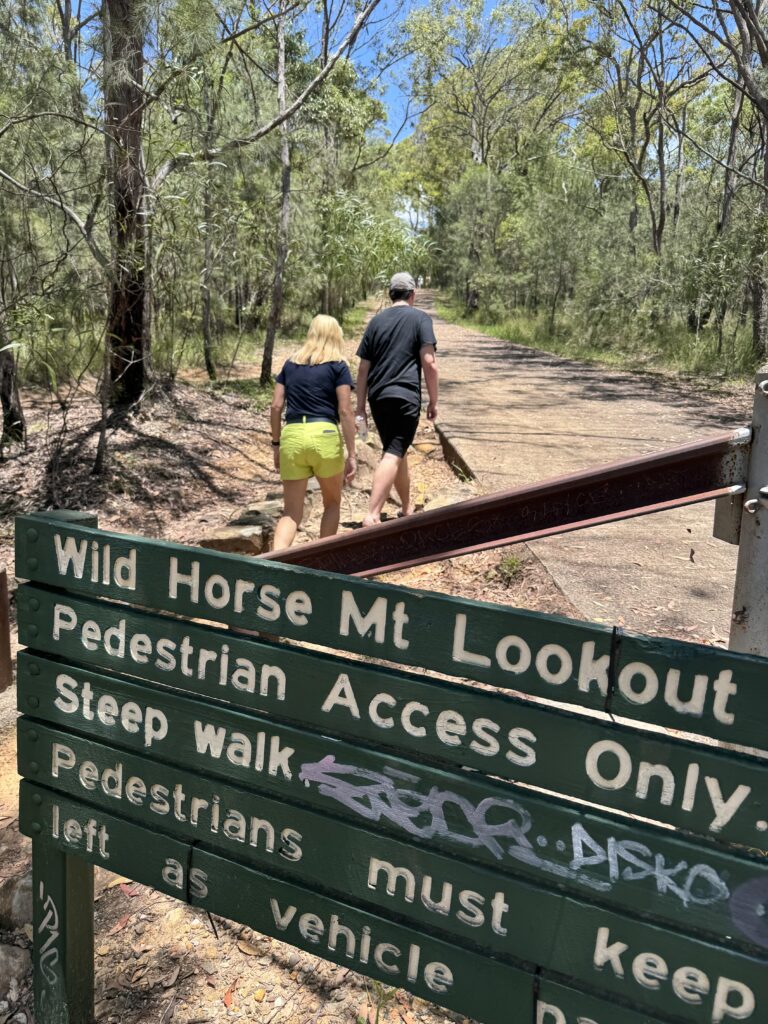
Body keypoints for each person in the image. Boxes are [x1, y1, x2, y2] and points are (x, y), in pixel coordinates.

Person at [355, 272, 438, 527]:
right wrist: (433, 402)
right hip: (405, 397)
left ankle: (405, 508)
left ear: (391, 294)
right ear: (412, 295)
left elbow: (362, 369)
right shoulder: (420, 319)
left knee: (395, 449)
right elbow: (429, 363)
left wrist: (360, 407)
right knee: (393, 453)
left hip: (378, 398)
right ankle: (372, 513)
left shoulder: (375, 322)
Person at [270, 315, 356, 549]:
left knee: (291, 512)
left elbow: (277, 406)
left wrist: (276, 445)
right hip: (325, 436)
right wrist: (352, 453)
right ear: (335, 335)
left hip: (293, 435)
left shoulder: (290, 364)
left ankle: (275, 565)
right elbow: (345, 411)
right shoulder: (339, 366)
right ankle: (322, 565)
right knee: (331, 503)